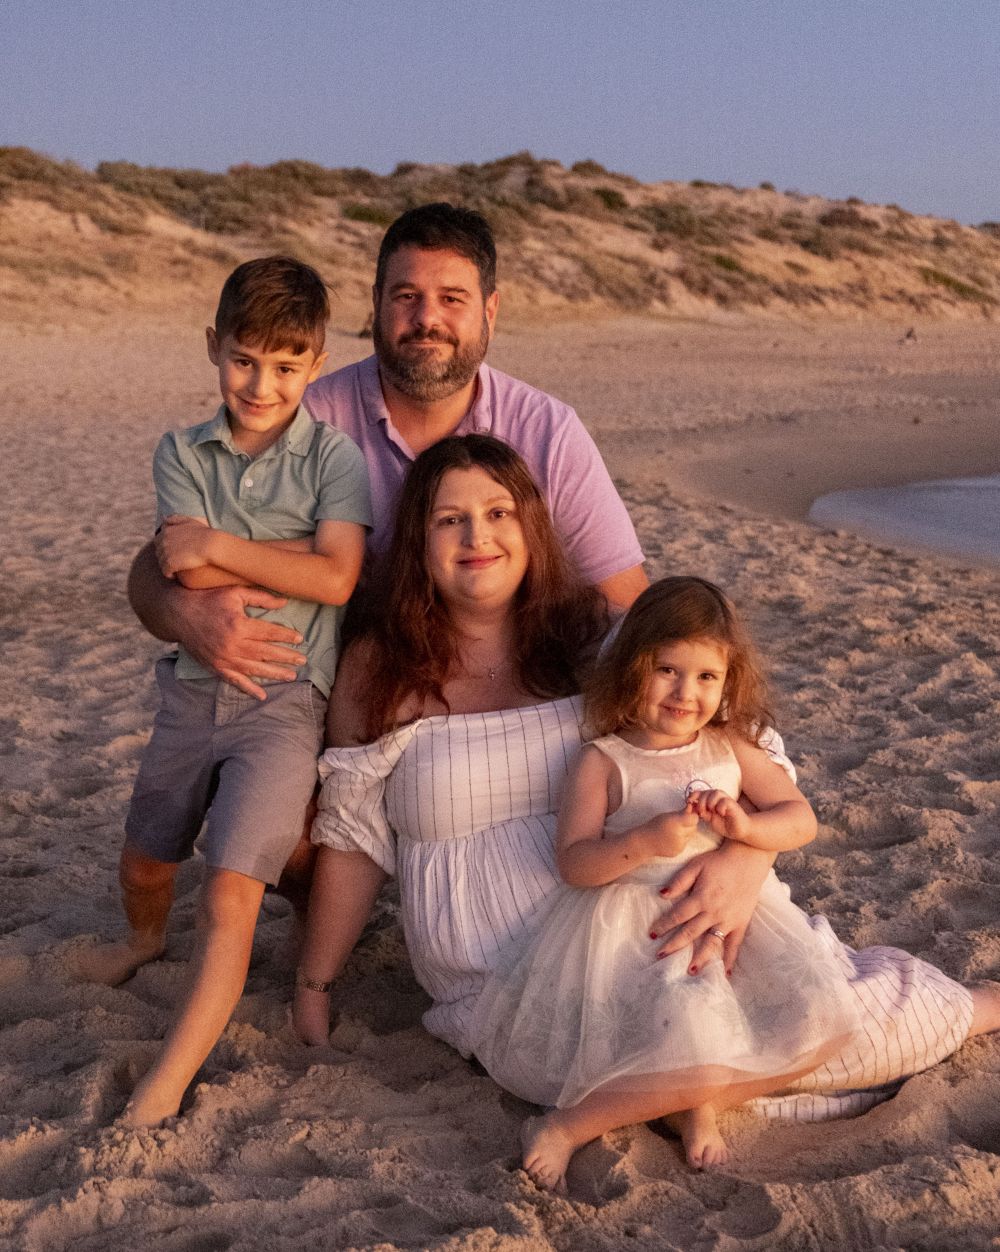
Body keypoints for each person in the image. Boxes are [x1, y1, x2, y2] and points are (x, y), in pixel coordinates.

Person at [294, 436, 1000, 1190]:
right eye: (449, 520)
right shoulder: (381, 668)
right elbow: (354, 837)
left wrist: (743, 857)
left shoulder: (590, 639)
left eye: (499, 512)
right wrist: (315, 983)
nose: (478, 537)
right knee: (665, 1060)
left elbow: (735, 742)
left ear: (531, 526)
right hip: (496, 967)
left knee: (828, 1022)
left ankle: (982, 1006)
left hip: (654, 916)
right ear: (418, 543)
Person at [126, 202, 647, 706]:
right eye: (406, 296)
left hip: (513, 690)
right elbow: (161, 563)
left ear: (490, 310)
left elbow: (625, 603)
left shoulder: (547, 432)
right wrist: (185, 616)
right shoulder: (304, 417)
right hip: (336, 699)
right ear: (376, 302)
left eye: (452, 299)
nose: (427, 319)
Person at [81, 257, 372, 1127]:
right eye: (245, 359)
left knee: (230, 891)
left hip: (284, 708)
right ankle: (140, 942)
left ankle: (164, 1084)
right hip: (188, 694)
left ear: (315, 364)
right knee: (146, 860)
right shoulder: (182, 450)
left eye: (286, 366)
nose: (262, 382)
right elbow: (178, 561)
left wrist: (223, 544)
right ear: (215, 348)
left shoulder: (333, 459)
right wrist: (231, 554)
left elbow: (337, 579)